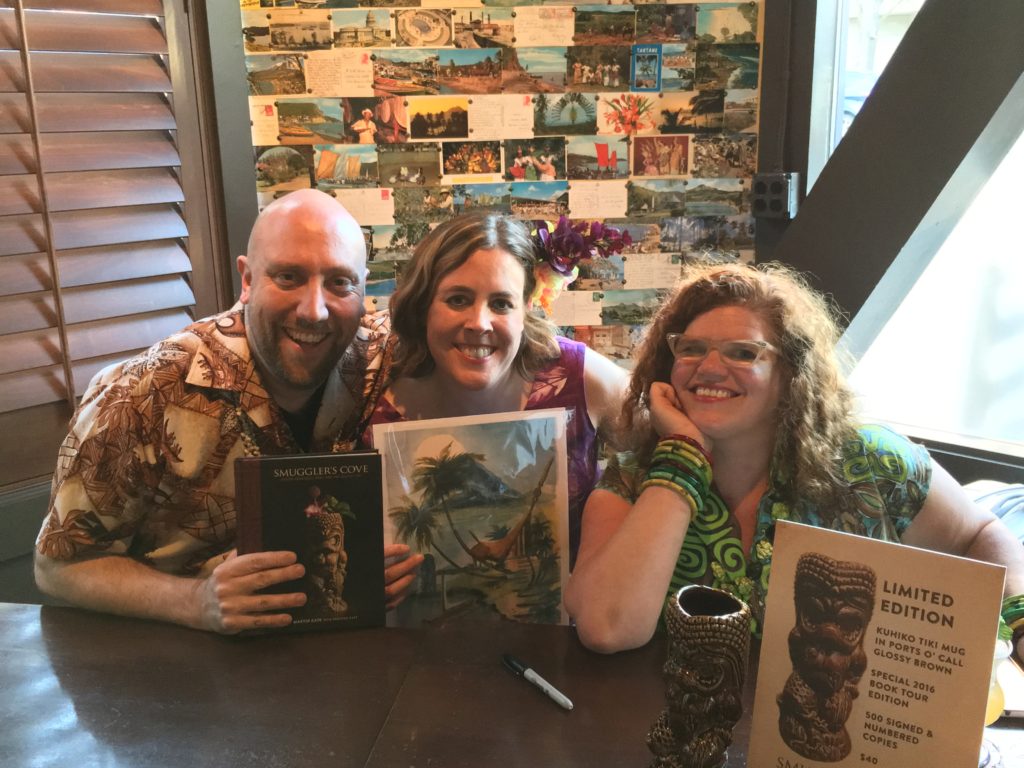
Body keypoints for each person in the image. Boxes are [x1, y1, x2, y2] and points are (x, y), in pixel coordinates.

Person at [565, 259, 1024, 653]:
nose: (708, 368)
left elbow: (981, 536)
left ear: (790, 373)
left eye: (744, 353)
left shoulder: (870, 462)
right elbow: (607, 628)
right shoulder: (632, 479)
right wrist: (683, 455)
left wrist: (1020, 624)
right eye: (691, 349)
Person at [34, 189, 422, 634]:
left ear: (364, 286)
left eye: (340, 282)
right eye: (289, 277)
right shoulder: (147, 391)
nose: (315, 310)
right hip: (188, 666)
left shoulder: (382, 358)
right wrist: (195, 602)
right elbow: (58, 567)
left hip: (345, 661)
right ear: (248, 279)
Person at [362, 212, 629, 564]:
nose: (479, 323)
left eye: (501, 303)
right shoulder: (372, 390)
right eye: (457, 299)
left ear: (526, 310)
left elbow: (666, 446)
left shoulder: (578, 376)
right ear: (424, 304)